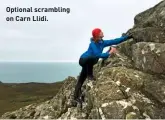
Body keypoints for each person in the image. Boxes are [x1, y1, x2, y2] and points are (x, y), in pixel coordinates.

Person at [73, 28, 133, 105]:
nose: (102, 32)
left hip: (89, 63)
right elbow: (98, 55)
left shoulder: (102, 42)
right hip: (83, 60)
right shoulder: (92, 44)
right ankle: (90, 75)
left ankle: (75, 97)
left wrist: (126, 37)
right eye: (100, 32)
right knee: (93, 58)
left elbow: (114, 41)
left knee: (81, 79)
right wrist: (110, 52)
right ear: (97, 35)